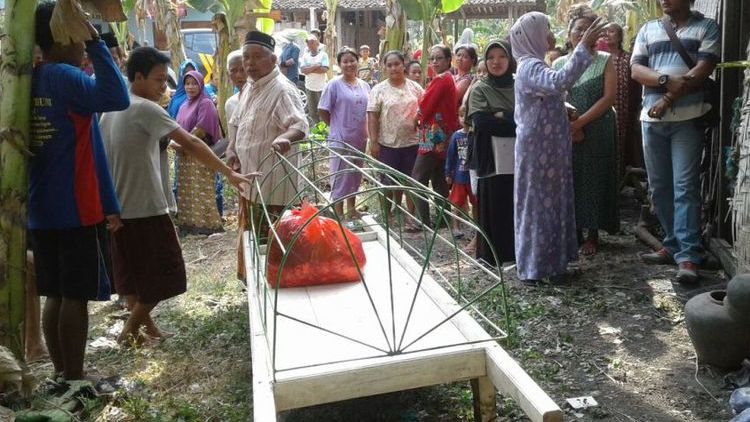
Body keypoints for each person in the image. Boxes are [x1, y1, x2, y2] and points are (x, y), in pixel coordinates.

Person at [100, 47, 254, 345]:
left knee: (130, 277)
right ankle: (128, 332)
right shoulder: (145, 109)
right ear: (139, 76)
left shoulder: (111, 109)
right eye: (159, 80)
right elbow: (192, 144)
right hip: (146, 206)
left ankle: (149, 330)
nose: (164, 87)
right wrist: (229, 173)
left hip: (119, 208)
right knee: (165, 274)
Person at [29, 2, 130, 380]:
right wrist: (99, 42)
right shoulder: (63, 77)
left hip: (40, 209)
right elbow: (116, 96)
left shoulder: (28, 79)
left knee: (54, 293)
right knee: (75, 295)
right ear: (66, 34)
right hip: (75, 206)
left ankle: (61, 373)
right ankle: (75, 375)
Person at [509, 12, 608, 284]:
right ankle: (535, 268)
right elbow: (558, 82)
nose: (551, 33)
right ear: (533, 36)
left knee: (553, 201)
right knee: (539, 204)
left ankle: (553, 264)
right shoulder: (530, 66)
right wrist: (582, 48)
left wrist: (562, 107)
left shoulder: (535, 64)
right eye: (547, 28)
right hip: (539, 148)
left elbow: (546, 94)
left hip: (549, 146)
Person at [631, 0, 720, 283]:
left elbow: (703, 69)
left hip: (688, 120)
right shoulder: (648, 29)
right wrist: (666, 81)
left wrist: (668, 97)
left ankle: (689, 256)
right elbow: (636, 70)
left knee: (684, 186)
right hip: (651, 121)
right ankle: (671, 244)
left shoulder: (707, 27)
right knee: (659, 188)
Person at [227, 31, 308, 280]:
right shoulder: (251, 87)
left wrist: (285, 137)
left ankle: (276, 287)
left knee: (274, 242)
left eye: (257, 57)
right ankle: (254, 285)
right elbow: (239, 122)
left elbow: (299, 125)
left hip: (274, 186)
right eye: (246, 57)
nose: (249, 63)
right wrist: (232, 148)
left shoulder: (282, 90)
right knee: (252, 238)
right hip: (250, 182)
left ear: (273, 60)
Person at [553, 13, 619, 256]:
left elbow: (608, 98)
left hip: (598, 128)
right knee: (571, 177)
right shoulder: (559, 64)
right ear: (569, 34)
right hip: (567, 129)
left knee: (596, 177)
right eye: (578, 29)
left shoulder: (604, 60)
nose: (582, 33)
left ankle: (593, 233)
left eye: (587, 29)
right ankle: (575, 230)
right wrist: (570, 124)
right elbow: (554, 97)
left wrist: (581, 121)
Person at [466, 40, 517, 266]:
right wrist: (511, 118)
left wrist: (501, 116)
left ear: (511, 59)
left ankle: (515, 254)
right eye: (491, 57)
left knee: (515, 201)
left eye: (502, 56)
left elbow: (528, 119)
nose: (496, 62)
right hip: (491, 156)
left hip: (518, 155)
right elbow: (482, 123)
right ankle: (491, 256)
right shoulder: (480, 88)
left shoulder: (520, 86)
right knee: (493, 202)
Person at [368, 51, 424, 224]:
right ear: (384, 67)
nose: (393, 68)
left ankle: (410, 215)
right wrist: (374, 142)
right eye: (389, 65)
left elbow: (426, 109)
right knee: (387, 182)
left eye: (397, 64)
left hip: (412, 143)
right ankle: (388, 215)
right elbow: (372, 116)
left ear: (403, 65)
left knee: (410, 181)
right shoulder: (378, 90)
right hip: (387, 144)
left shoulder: (415, 87)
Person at [318, 48, 371, 218]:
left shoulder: (365, 85)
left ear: (357, 62)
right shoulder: (333, 84)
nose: (349, 64)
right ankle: (339, 211)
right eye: (345, 61)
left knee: (355, 173)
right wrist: (335, 126)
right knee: (340, 174)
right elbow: (323, 109)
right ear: (340, 65)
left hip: (360, 137)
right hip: (340, 138)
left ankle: (351, 209)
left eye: (352, 60)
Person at [412, 45, 458, 227]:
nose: (434, 62)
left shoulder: (440, 80)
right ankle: (443, 219)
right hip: (444, 134)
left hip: (433, 134)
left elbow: (426, 104)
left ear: (448, 60)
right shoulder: (449, 79)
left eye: (439, 58)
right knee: (438, 178)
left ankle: (422, 220)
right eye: (432, 58)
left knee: (417, 178)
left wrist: (415, 117)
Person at [173, 70, 224, 234]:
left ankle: (209, 226)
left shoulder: (205, 103)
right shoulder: (183, 105)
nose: (190, 87)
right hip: (184, 155)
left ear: (201, 84)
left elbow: (201, 129)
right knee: (187, 191)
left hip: (200, 154)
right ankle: (189, 226)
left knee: (203, 190)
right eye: (187, 83)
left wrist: (183, 143)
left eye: (194, 83)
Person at [605, 23, 642, 173]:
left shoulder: (628, 59)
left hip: (625, 110)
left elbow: (635, 87)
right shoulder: (599, 59)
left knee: (624, 142)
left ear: (620, 36)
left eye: (611, 31)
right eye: (605, 32)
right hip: (605, 109)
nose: (607, 34)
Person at [444, 113, 476, 239]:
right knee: (457, 203)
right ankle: (456, 227)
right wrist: (448, 173)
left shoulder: (475, 134)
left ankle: (476, 227)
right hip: (459, 177)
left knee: (476, 203)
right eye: (461, 116)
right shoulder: (456, 136)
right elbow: (450, 156)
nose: (464, 119)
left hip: (473, 176)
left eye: (467, 116)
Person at [300, 36, 329, 124]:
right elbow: (303, 71)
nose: (310, 45)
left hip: (321, 87)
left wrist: (309, 69)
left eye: (312, 42)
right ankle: (316, 128)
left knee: (322, 110)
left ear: (317, 44)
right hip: (309, 87)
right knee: (312, 112)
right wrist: (316, 66)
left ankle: (324, 129)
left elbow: (324, 69)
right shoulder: (305, 56)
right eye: (308, 43)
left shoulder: (323, 55)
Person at [225, 49, 247, 123]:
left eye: (243, 70)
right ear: (228, 75)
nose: (239, 75)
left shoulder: (263, 99)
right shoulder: (230, 104)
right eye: (233, 71)